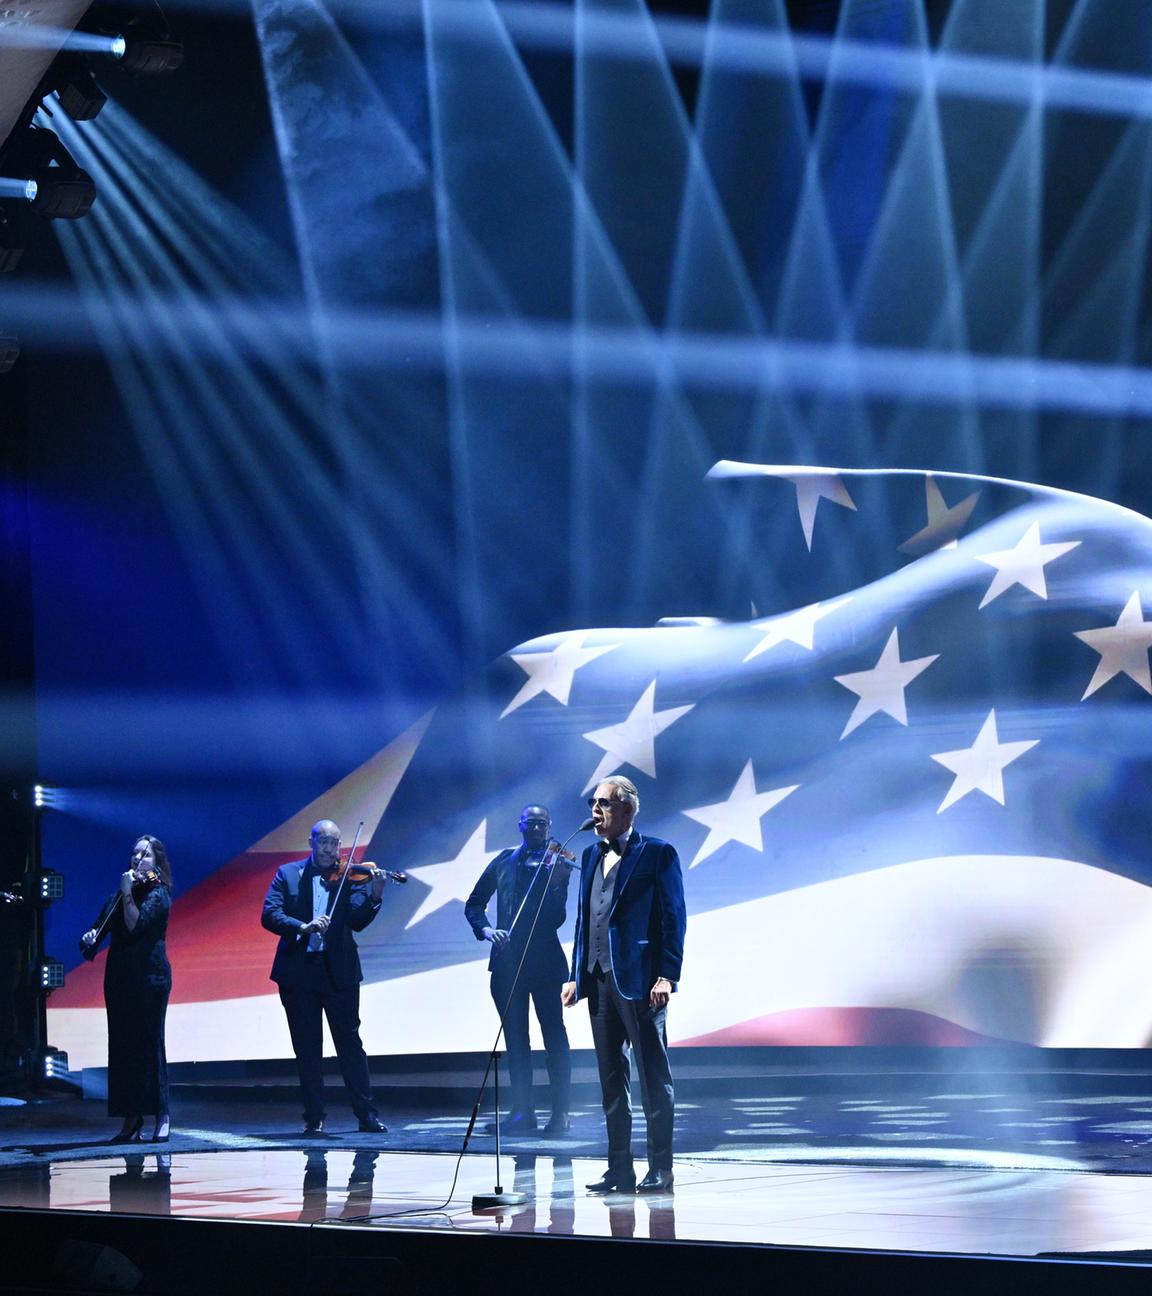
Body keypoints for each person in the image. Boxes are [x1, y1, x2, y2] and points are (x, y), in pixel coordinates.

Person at [562, 776, 685, 1194]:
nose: (595, 811)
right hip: (598, 981)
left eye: (604, 804)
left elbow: (673, 918)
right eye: (593, 803)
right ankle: (619, 1169)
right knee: (612, 1081)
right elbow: (584, 920)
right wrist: (576, 975)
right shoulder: (589, 855)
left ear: (628, 810)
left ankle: (661, 1168)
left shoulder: (658, 853)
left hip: (640, 981)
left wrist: (667, 975)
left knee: (652, 1079)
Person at [261, 819, 390, 1135]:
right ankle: (314, 1117)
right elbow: (269, 914)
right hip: (299, 973)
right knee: (307, 1048)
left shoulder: (349, 876)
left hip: (339, 973)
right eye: (323, 842)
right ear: (312, 843)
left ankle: (366, 1114)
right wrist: (301, 927)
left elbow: (357, 920)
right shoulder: (288, 874)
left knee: (350, 1045)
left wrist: (375, 894)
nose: (329, 849)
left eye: (334, 843)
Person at [465, 804, 573, 1135]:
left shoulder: (556, 862)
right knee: (515, 1040)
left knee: (553, 1036)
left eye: (542, 824)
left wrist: (558, 884)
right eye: (531, 823)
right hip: (508, 962)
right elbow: (474, 904)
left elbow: (557, 918)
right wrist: (487, 930)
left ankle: (560, 1114)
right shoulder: (504, 861)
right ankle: (522, 1113)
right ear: (521, 825)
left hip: (544, 962)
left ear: (549, 826)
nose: (537, 829)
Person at [80, 835, 173, 1144]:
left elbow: (135, 925)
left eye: (145, 855)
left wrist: (127, 892)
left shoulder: (159, 894)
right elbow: (98, 930)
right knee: (122, 1047)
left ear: (157, 862)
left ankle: (162, 1114)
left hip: (150, 978)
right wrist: (89, 939)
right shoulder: (117, 897)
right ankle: (131, 1119)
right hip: (120, 979)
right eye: (135, 853)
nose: (137, 858)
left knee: (149, 1045)